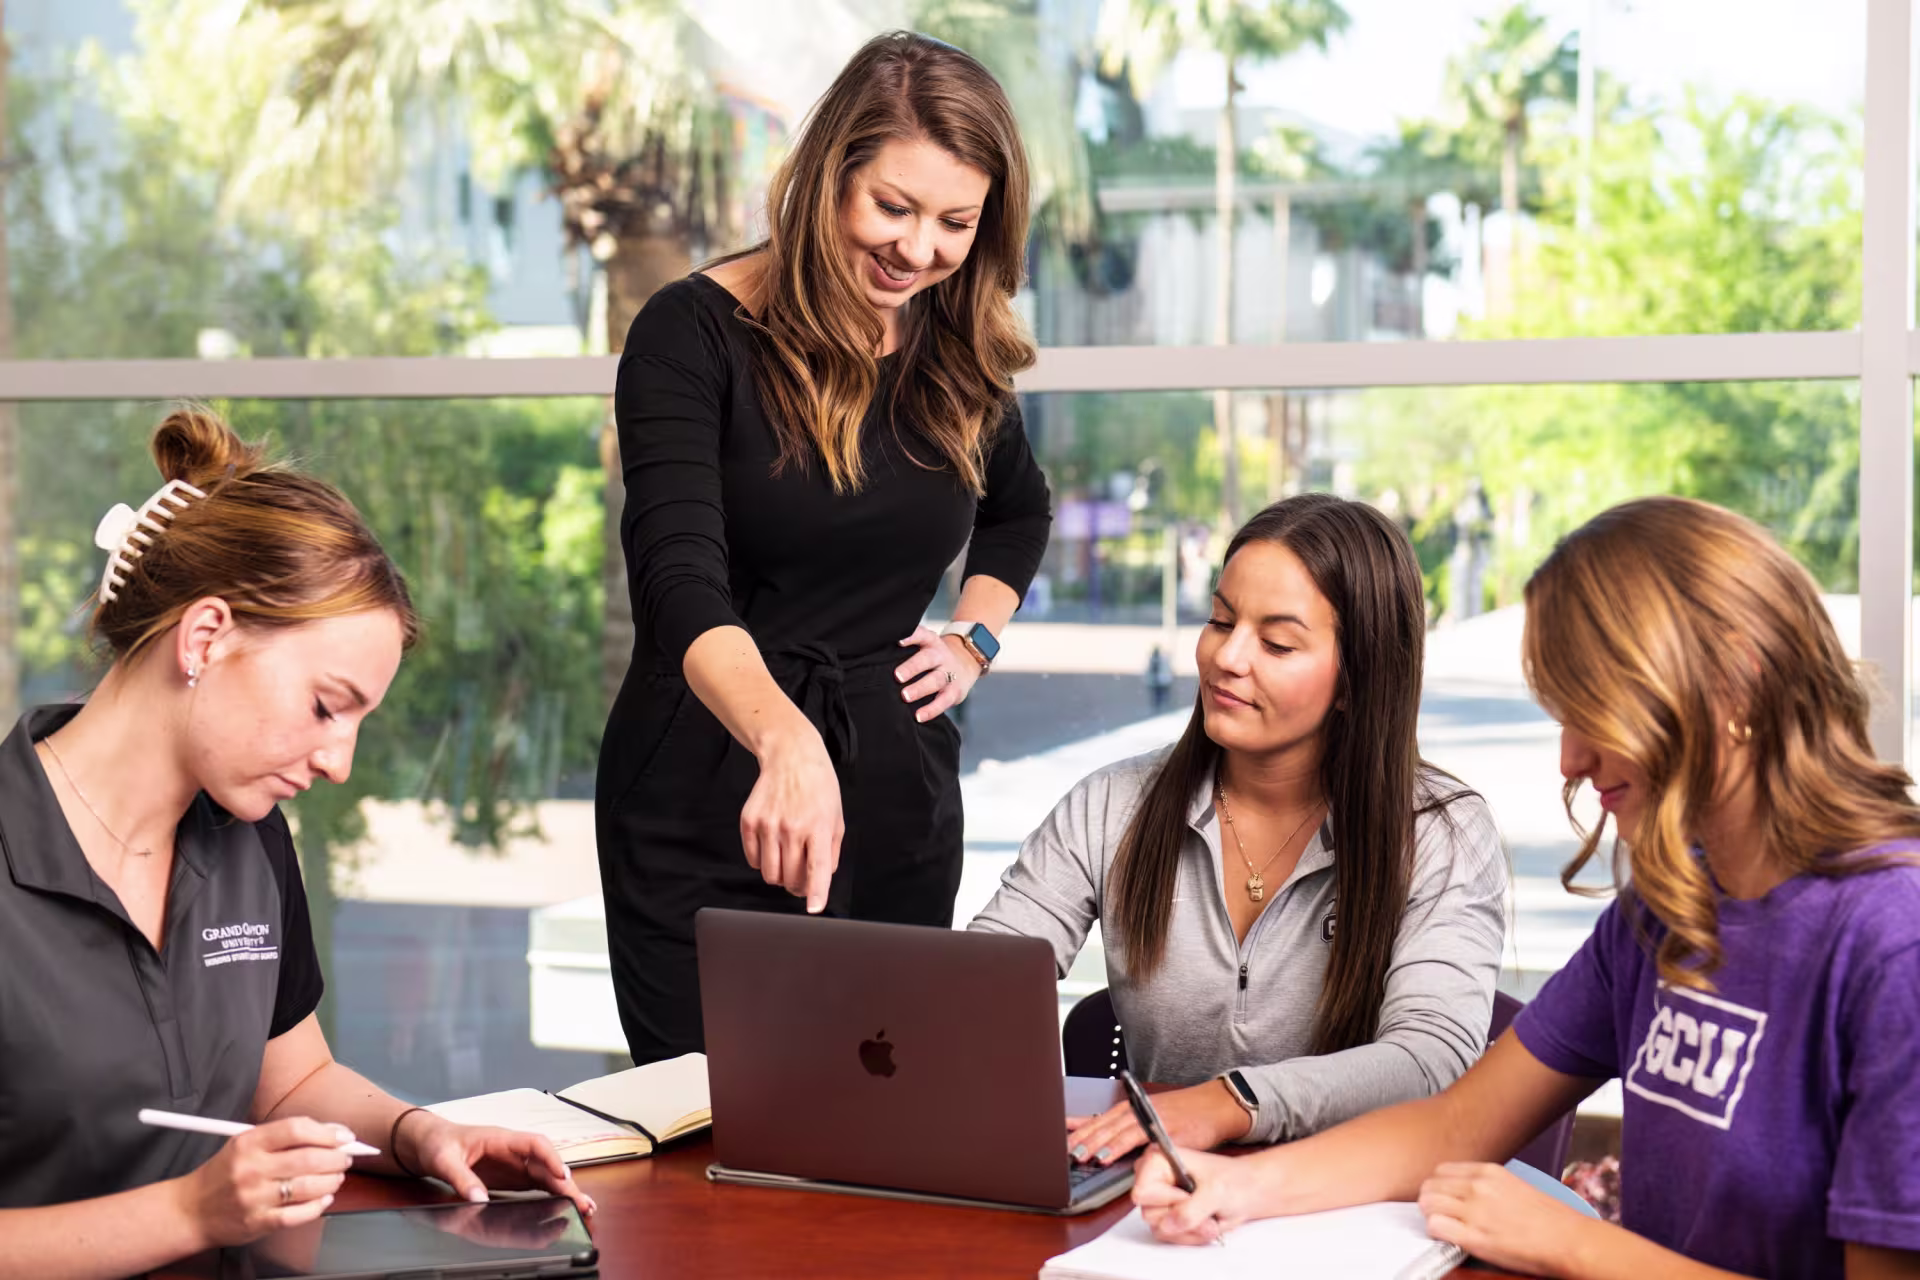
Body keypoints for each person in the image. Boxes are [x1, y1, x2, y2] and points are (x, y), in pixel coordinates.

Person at [1133, 497, 1920, 1278]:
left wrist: (1572, 1242)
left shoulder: (1893, 944)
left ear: (1735, 682)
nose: (1569, 760)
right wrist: (1238, 1185)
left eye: (1594, 713)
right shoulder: (1663, 909)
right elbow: (1456, 1127)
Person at [0, 409, 593, 1279]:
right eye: (327, 706)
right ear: (206, 637)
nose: (339, 763)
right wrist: (189, 1211)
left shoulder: (248, 838)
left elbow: (290, 1081)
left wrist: (418, 1132)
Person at [598, 31, 1052, 1066]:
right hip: (710, 773)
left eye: (955, 223)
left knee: (879, 1116)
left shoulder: (953, 346)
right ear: (827, 175)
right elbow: (678, 583)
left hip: (897, 788)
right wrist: (786, 739)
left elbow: (1019, 511)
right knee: (717, 1128)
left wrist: (973, 637)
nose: (918, 250)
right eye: (892, 207)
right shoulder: (690, 334)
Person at [969, 494, 1507, 1165]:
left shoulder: (1441, 831)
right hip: (1158, 1199)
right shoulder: (1110, 804)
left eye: (1277, 642)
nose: (1228, 656)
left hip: (1353, 1207)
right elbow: (980, 982)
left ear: (1356, 678)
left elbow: (1429, 1059)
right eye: (1221, 621)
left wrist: (1228, 1104)